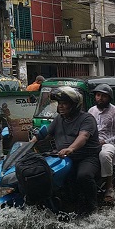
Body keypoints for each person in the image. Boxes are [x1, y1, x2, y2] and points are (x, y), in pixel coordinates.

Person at [31, 86, 102, 215]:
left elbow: (83, 136)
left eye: (64, 103)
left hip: (86, 157)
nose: (60, 106)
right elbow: (46, 132)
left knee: (83, 175)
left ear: (74, 105)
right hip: (62, 158)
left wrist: (71, 148)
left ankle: (93, 206)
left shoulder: (87, 118)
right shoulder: (59, 119)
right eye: (59, 103)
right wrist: (29, 143)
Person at [88, 84, 115, 203]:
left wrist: (105, 141)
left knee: (104, 155)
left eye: (104, 96)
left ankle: (109, 187)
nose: (100, 98)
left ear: (109, 98)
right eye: (98, 95)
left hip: (110, 145)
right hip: (93, 143)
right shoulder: (91, 111)